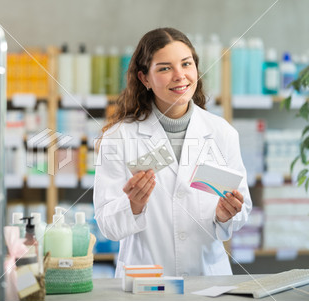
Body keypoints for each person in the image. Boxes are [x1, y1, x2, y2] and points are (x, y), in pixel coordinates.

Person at [93, 27, 252, 278]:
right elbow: (106, 225)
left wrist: (224, 216)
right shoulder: (119, 138)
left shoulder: (222, 133)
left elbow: (242, 207)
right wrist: (132, 205)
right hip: (146, 282)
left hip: (207, 279)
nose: (180, 76)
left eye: (186, 64)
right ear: (145, 78)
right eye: (165, 68)